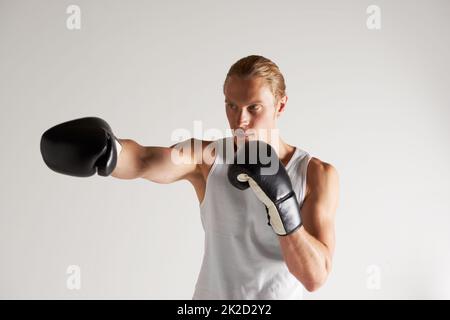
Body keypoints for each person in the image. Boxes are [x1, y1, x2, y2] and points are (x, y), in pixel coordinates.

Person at [40, 55, 339, 299]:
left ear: (281, 105)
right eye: (231, 106)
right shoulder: (207, 159)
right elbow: (143, 159)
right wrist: (110, 150)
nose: (240, 121)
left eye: (253, 108)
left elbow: (315, 277)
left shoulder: (315, 174)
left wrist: (283, 208)